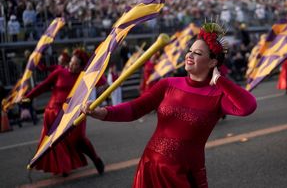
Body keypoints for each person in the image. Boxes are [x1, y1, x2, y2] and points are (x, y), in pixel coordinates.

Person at [82, 22, 257, 187]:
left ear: (212, 62)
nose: (189, 55)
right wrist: (102, 112)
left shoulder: (218, 94)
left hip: (185, 173)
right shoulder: (168, 84)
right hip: (151, 165)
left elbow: (248, 106)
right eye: (190, 50)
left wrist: (220, 80)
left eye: (198, 53)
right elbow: (135, 109)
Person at [25, 49, 104, 176]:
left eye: (76, 64)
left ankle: (96, 159)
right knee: (56, 141)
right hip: (53, 112)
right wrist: (28, 97)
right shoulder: (59, 72)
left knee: (79, 140)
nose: (71, 65)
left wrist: (94, 67)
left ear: (82, 67)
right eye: (71, 62)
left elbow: (102, 82)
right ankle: (63, 166)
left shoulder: (84, 77)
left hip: (74, 113)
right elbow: (43, 86)